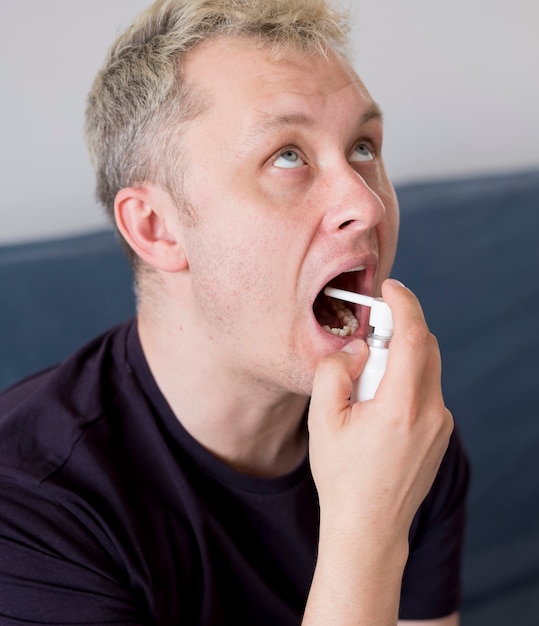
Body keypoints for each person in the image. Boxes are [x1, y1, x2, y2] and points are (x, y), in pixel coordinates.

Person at [0, 1, 469, 624]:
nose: (367, 204)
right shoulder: (28, 504)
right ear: (158, 228)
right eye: (288, 156)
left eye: (363, 146)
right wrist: (368, 530)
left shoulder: (404, 437)